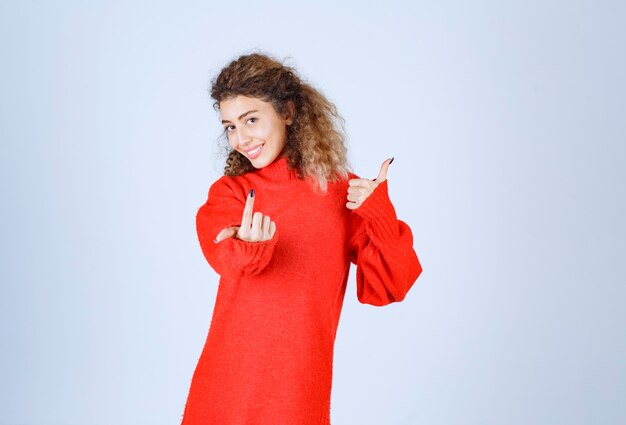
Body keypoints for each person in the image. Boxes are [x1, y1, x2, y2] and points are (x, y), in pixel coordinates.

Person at [180, 52, 422, 425]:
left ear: (288, 112)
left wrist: (380, 215)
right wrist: (248, 245)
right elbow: (226, 256)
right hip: (226, 389)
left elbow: (391, 285)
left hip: (298, 394)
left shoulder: (338, 191)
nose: (241, 138)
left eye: (251, 120)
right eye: (230, 126)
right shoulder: (231, 193)